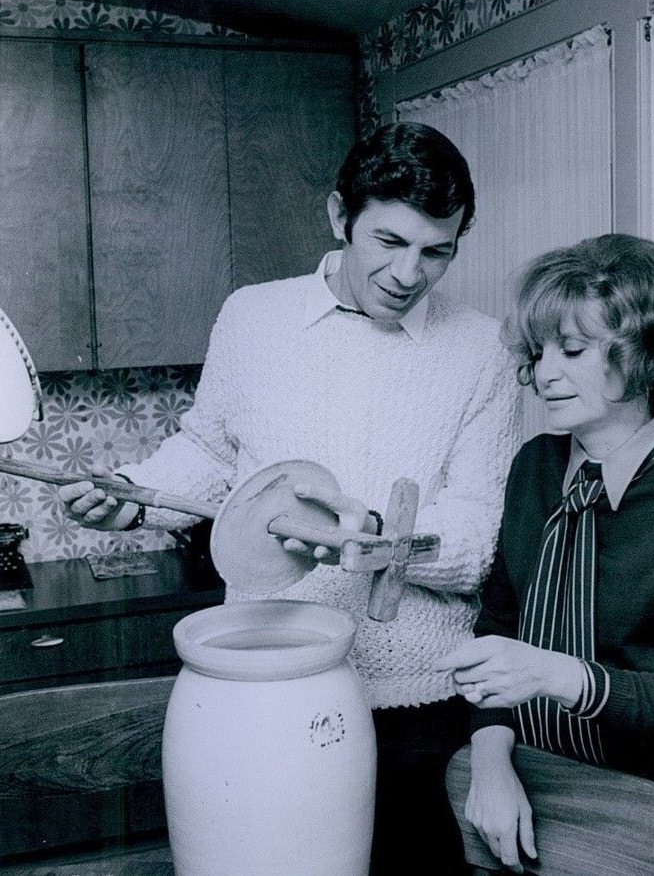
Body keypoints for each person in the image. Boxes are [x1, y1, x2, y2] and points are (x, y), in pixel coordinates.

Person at [59, 121, 522, 875]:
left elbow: (476, 536)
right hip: (268, 680)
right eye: (388, 242)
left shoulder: (482, 350)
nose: (410, 273)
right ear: (340, 216)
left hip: (419, 702)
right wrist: (136, 498)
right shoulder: (253, 316)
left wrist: (369, 533)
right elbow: (210, 452)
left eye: (436, 251)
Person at [436, 233, 654, 873]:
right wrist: (492, 763)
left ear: (646, 352)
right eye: (538, 352)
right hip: (529, 776)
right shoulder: (533, 466)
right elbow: (499, 628)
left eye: (573, 349)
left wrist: (558, 676)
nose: (543, 373)